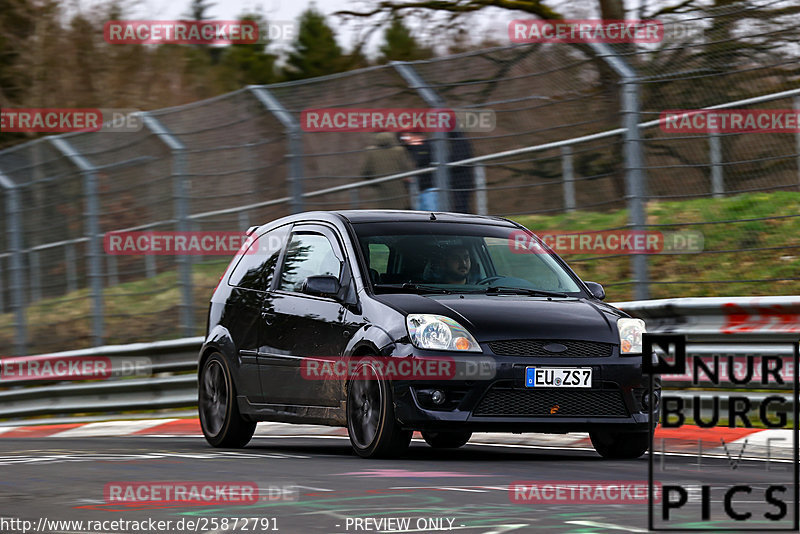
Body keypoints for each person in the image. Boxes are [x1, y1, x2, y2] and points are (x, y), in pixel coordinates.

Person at [362, 132, 413, 209]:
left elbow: (365, 172)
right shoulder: (399, 151)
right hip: (399, 189)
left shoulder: (371, 152)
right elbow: (407, 168)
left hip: (381, 190)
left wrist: (375, 183)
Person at [399, 131, 438, 211]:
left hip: (428, 186)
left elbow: (420, 160)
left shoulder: (427, 147)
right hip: (415, 188)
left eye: (407, 136)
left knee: (431, 209)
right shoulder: (407, 149)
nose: (405, 139)